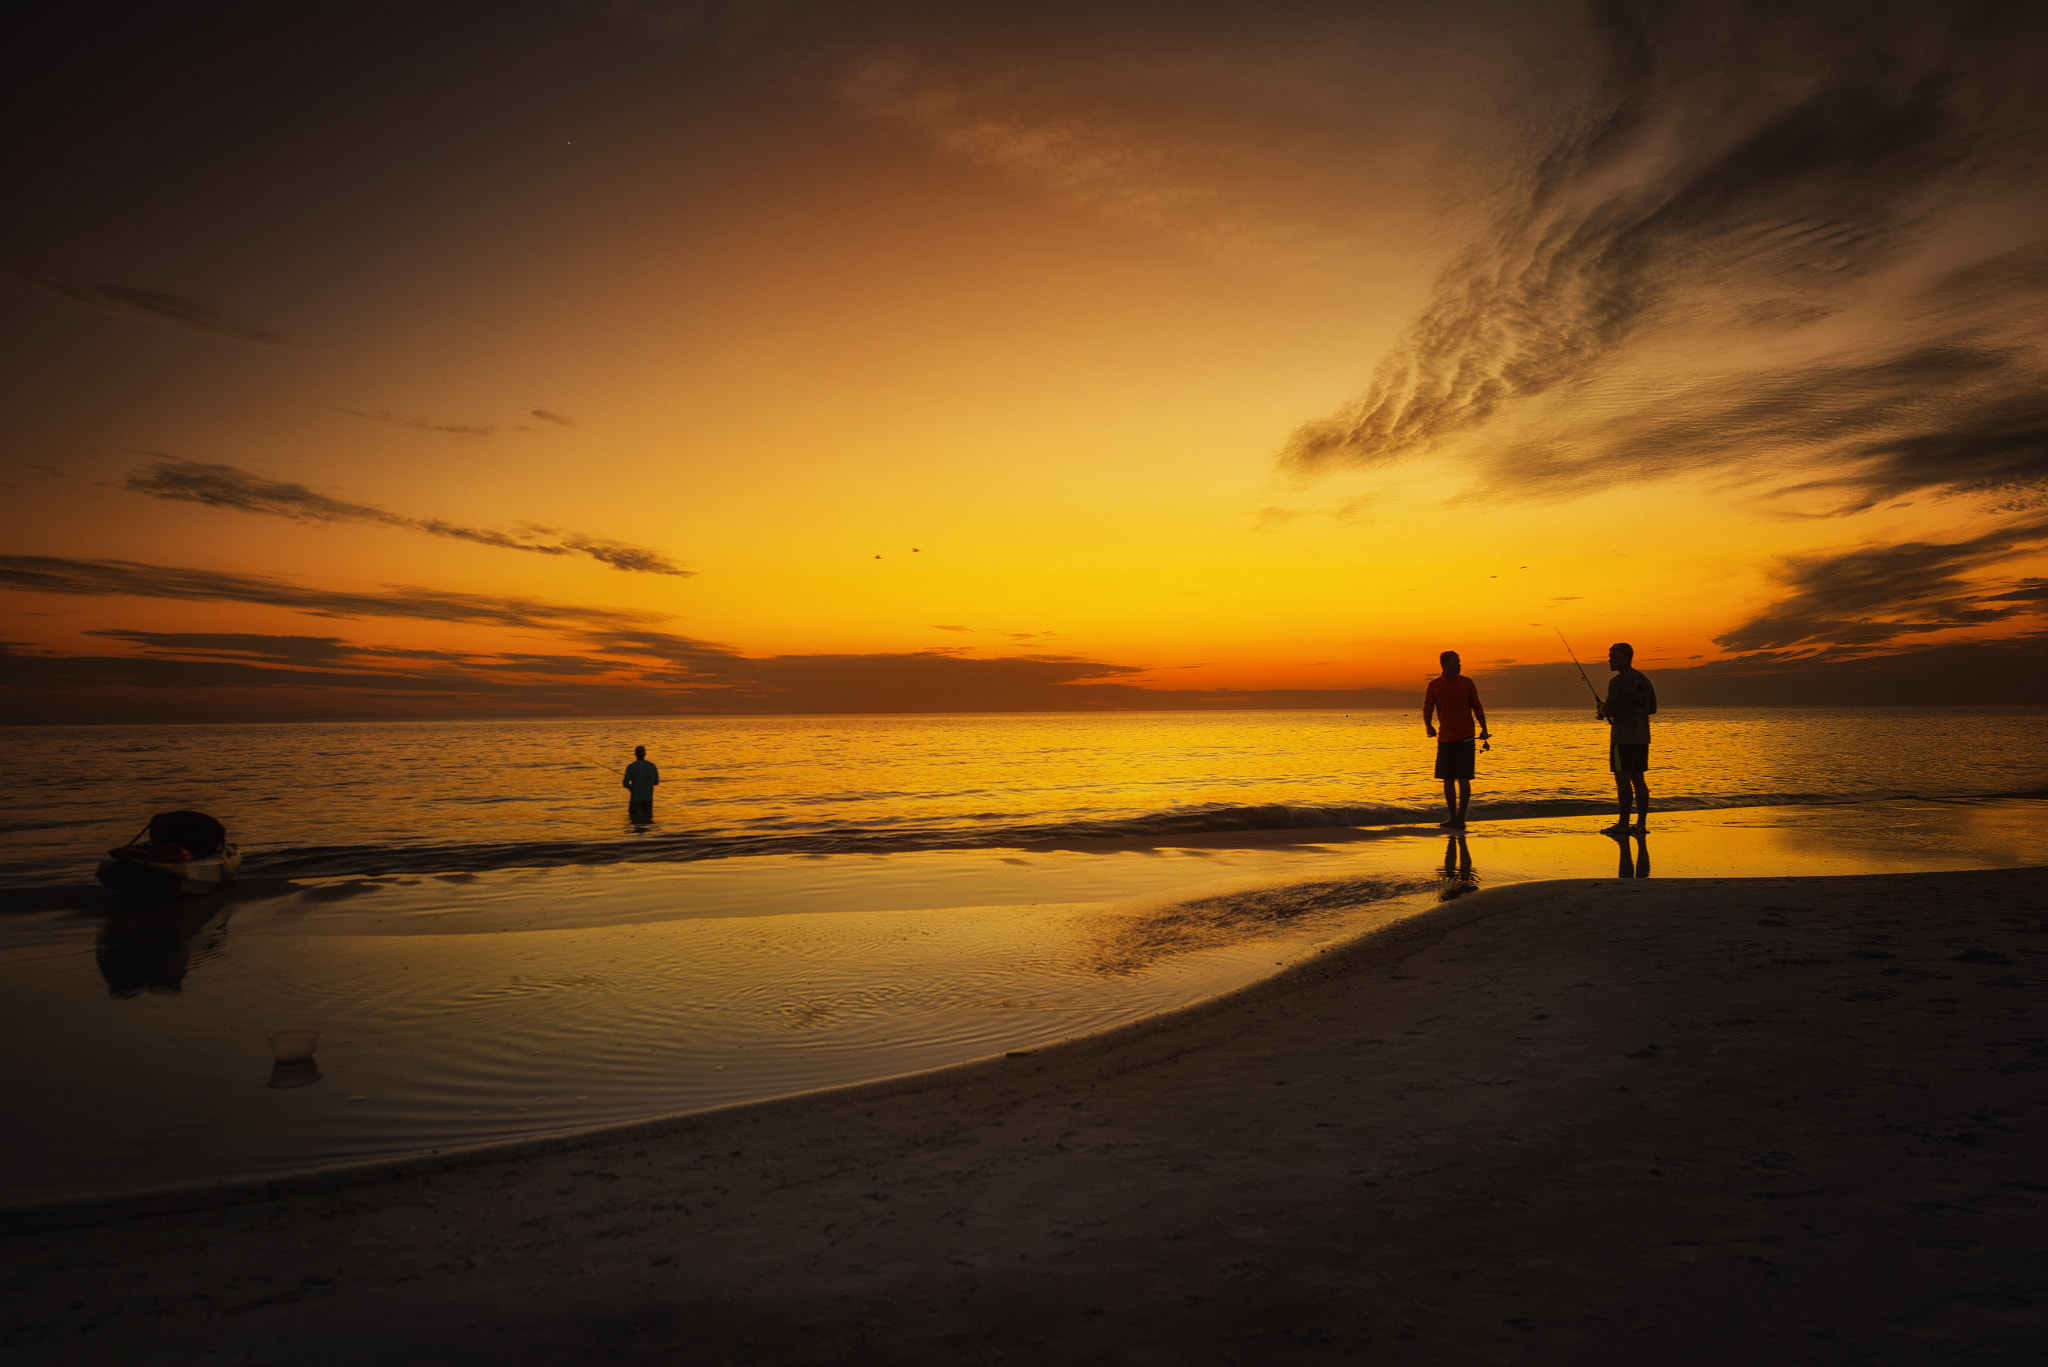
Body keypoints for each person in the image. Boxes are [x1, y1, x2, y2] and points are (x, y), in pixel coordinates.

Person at [1422, 650, 1489, 829]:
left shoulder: (1467, 683)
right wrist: (1428, 726)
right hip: (1445, 738)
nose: (1459, 665)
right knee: (1448, 778)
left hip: (1466, 735)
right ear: (1444, 665)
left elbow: (1477, 705)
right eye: (1455, 662)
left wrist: (1484, 729)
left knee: (1464, 777)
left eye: (1459, 662)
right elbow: (1428, 708)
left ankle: (1461, 817)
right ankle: (1453, 817)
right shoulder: (1434, 685)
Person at [1596, 642, 1657, 834]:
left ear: (1626, 658)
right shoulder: (1644, 679)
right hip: (1642, 737)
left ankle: (1623, 824)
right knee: (1639, 780)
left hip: (1622, 739)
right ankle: (1641, 824)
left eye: (1614, 656)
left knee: (1622, 781)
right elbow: (1653, 709)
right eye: (1610, 655)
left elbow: (1610, 709)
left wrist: (1602, 709)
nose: (1610, 660)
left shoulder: (1617, 682)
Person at [622, 745, 660, 816]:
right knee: (647, 821)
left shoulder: (631, 767)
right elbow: (656, 782)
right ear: (645, 754)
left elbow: (625, 783)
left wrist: (631, 787)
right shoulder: (652, 766)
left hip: (635, 800)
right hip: (648, 800)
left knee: (634, 821)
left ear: (635, 754)